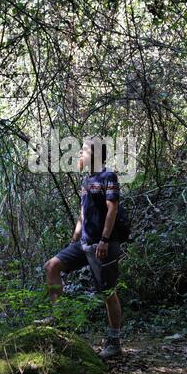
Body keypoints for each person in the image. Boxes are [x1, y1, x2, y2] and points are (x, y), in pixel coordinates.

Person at [38, 136, 123, 358]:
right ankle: (60, 319)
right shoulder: (87, 181)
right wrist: (76, 234)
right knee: (52, 266)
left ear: (94, 155)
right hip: (83, 243)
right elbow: (84, 211)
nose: (79, 155)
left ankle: (114, 342)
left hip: (102, 244)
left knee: (108, 292)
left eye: (83, 151)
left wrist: (104, 240)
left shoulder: (108, 176)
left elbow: (112, 209)